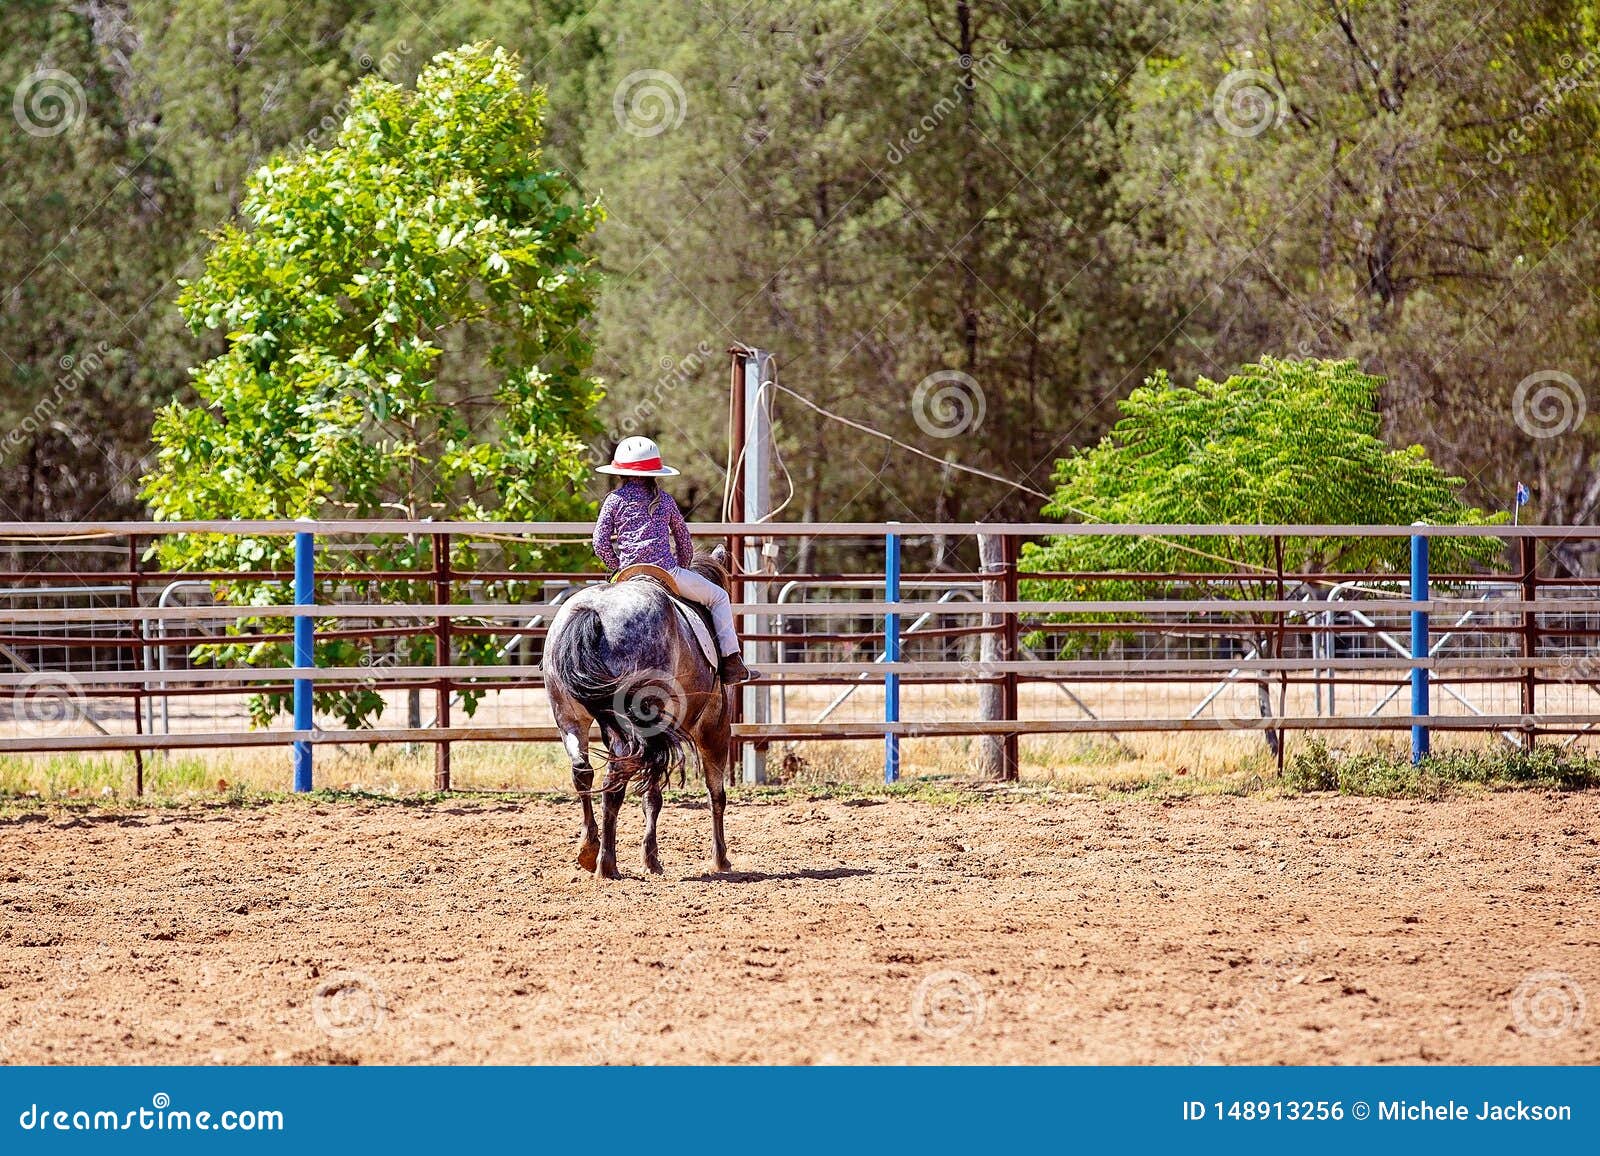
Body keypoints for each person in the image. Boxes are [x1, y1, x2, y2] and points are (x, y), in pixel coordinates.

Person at [592, 436, 757, 684]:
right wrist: (683, 564)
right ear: (655, 473)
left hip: (628, 575)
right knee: (718, 597)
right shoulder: (666, 500)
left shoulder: (613, 500)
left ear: (620, 473)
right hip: (666, 573)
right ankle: (731, 661)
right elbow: (683, 540)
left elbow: (599, 542)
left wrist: (617, 566)